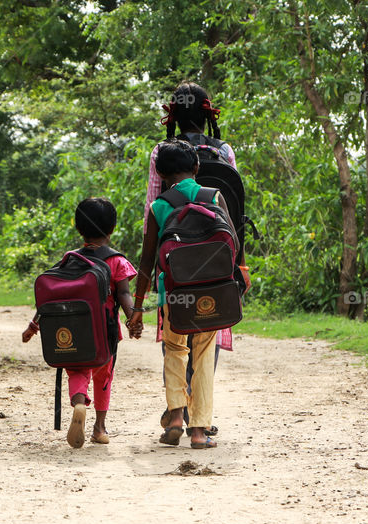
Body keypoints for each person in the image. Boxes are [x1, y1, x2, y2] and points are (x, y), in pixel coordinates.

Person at [128, 139, 246, 449]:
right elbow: (233, 241)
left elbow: (147, 260)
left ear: (161, 174)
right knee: (204, 354)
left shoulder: (159, 206)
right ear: (196, 168)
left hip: (173, 295)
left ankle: (177, 417)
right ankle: (199, 431)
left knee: (174, 349)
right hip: (211, 292)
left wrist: (138, 307)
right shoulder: (214, 195)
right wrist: (235, 283)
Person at [145, 82, 236, 435]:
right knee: (206, 339)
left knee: (174, 341)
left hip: (174, 264)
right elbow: (233, 212)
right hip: (214, 264)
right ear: (207, 112)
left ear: (173, 114)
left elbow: (153, 202)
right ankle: (202, 421)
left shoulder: (160, 152)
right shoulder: (223, 150)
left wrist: (153, 267)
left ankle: (177, 413)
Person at [22, 198, 137, 448]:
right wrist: (133, 318)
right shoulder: (116, 261)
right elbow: (124, 294)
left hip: (73, 332)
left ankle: (77, 403)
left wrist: (33, 327)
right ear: (112, 228)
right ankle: (99, 427)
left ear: (78, 228)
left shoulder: (69, 259)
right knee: (103, 376)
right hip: (105, 332)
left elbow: (49, 298)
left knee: (78, 370)